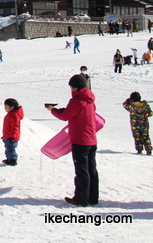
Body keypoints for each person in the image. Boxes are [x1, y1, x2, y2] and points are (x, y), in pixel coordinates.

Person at [47, 74, 99, 207]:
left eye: (71, 87)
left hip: (80, 140)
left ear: (76, 87)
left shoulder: (76, 100)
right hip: (91, 139)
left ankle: (81, 199)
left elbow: (65, 116)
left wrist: (53, 110)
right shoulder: (90, 100)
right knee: (91, 169)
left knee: (81, 171)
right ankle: (92, 197)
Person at [1, 98, 23, 166]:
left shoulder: (14, 116)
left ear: (12, 107)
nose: (5, 108)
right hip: (7, 136)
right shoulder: (10, 114)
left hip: (11, 138)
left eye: (6, 107)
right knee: (8, 149)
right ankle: (9, 159)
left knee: (11, 149)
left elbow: (15, 128)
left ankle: (13, 160)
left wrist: (12, 136)